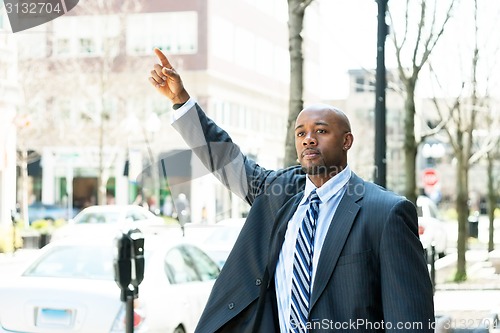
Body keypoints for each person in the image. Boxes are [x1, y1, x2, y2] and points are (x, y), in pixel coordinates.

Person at [149, 48, 434, 332]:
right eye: (301, 133)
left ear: (347, 141)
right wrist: (181, 101)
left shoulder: (386, 213)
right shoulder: (277, 193)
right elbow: (225, 159)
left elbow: (410, 319)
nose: (308, 139)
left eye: (321, 131)